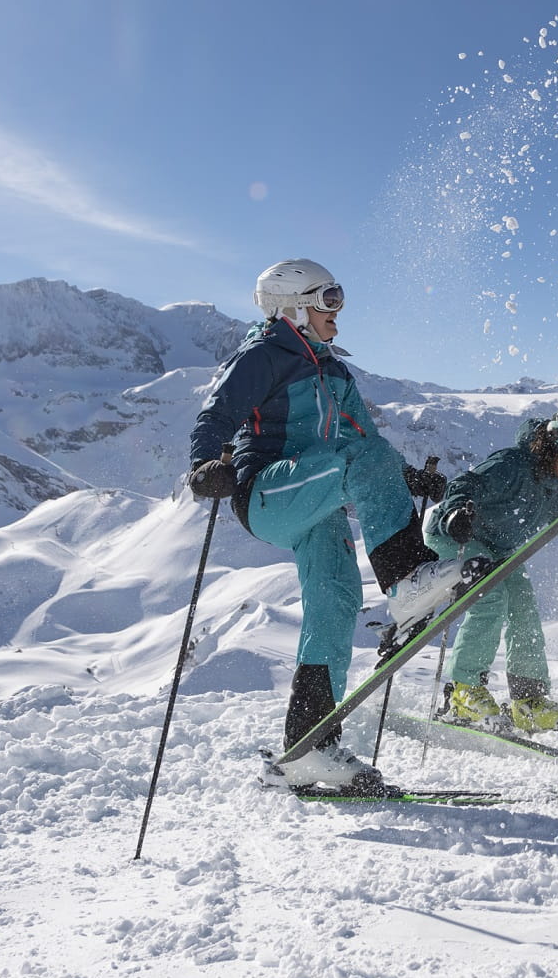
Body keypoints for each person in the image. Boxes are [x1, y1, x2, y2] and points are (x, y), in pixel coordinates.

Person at [187, 258, 461, 791]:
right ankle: (406, 581)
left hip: (316, 495)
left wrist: (402, 477)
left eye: (338, 301)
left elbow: (367, 441)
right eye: (328, 301)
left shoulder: (333, 369)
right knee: (359, 460)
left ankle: (309, 746)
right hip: (266, 488)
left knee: (335, 601)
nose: (337, 314)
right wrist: (203, 466)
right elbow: (215, 415)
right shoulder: (266, 353)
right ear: (292, 307)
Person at [422, 406, 558, 734]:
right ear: (556, 445)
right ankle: (463, 691)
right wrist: (456, 514)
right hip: (458, 534)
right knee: (490, 596)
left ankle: (528, 702)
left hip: (497, 549)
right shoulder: (512, 464)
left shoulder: (557, 482)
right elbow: (464, 484)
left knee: (524, 605)